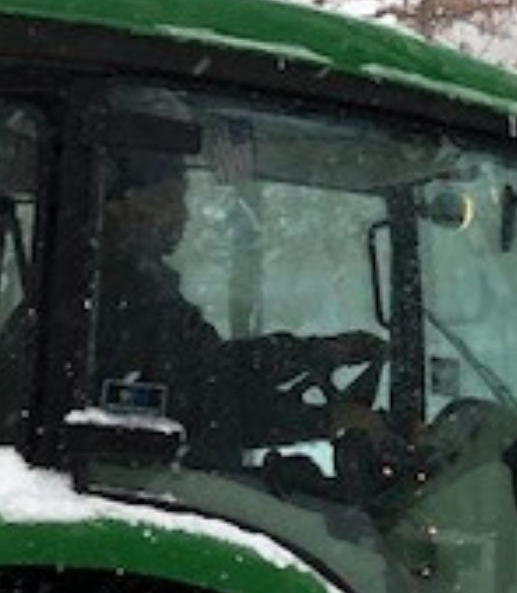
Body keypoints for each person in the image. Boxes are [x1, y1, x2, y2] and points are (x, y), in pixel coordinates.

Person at [93, 145, 383, 464]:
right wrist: (324, 420)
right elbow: (201, 407)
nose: (182, 214)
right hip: (153, 485)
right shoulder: (111, 300)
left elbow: (213, 369)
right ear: (118, 204)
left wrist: (315, 353)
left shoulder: (138, 288)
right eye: (166, 198)